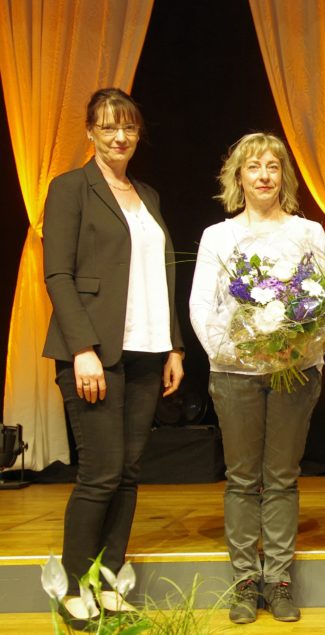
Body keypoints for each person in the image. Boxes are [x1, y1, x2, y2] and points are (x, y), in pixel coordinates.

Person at [42, 88, 185, 605]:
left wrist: (174, 345)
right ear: (90, 132)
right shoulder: (70, 188)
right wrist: (82, 347)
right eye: (107, 127)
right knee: (100, 472)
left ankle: (107, 581)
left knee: (127, 472)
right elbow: (57, 274)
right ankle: (73, 586)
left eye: (127, 127)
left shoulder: (148, 195)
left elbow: (159, 274)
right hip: (94, 351)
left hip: (147, 350)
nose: (119, 137)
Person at [190, 133, 325, 624]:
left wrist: (302, 347)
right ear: (239, 176)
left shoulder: (308, 231)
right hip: (234, 374)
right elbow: (201, 306)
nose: (264, 175)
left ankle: (280, 580)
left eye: (273, 166)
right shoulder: (218, 236)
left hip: (294, 372)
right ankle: (246, 582)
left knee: (283, 478)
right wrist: (233, 350)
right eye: (254, 167)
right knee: (243, 479)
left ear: (283, 176)